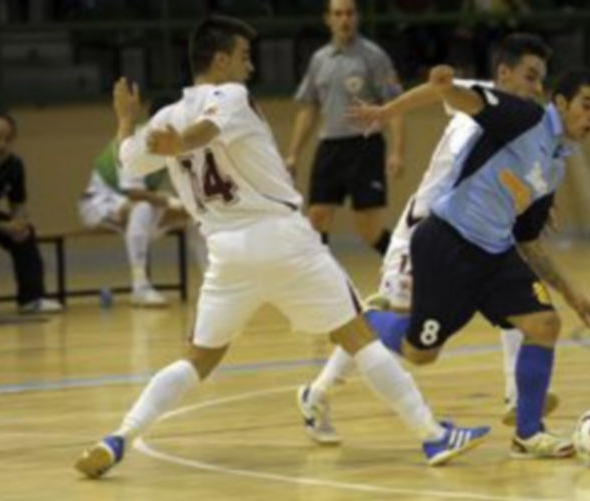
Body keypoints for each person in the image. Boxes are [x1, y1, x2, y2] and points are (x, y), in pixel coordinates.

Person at [74, 15, 489, 479]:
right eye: (244, 57)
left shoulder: (167, 115)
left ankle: (119, 437)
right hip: (282, 239)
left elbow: (129, 159)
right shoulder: (228, 96)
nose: (250, 67)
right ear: (221, 59)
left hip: (226, 253)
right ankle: (432, 435)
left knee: (197, 359)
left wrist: (126, 120)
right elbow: (207, 131)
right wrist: (184, 143)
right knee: (357, 336)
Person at [298, 33, 560, 446]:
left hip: (470, 234)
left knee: (516, 298)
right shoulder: (482, 103)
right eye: (530, 77)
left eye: (541, 79)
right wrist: (386, 112)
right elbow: (442, 91)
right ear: (504, 73)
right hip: (425, 229)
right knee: (396, 327)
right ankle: (317, 394)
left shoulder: (524, 117)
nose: (537, 89)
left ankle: (514, 394)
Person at [348, 65, 590, 458]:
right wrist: (390, 111)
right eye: (587, 106)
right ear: (561, 103)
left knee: (544, 324)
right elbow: (457, 96)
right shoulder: (525, 118)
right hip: (448, 243)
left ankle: (529, 434)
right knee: (420, 352)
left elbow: (529, 241)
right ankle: (365, 319)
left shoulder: (554, 166)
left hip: (496, 254)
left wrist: (572, 293)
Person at [285, 0, 403, 254]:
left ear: (357, 17)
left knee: (368, 230)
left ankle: (410, 267)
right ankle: (325, 287)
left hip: (365, 146)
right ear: (328, 19)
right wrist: (294, 153)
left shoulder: (373, 56)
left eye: (349, 13)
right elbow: (309, 109)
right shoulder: (319, 59)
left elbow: (393, 105)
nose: (344, 20)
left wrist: (397, 151)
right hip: (330, 147)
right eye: (338, 14)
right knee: (316, 218)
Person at [77, 97, 207, 307]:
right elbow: (132, 191)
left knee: (197, 215)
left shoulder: (174, 141)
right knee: (143, 208)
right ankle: (140, 286)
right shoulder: (136, 141)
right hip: (97, 203)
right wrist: (168, 201)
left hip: (133, 205)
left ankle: (211, 281)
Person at [0, 113, 63, 314]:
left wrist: (19, 224)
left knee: (25, 235)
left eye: (8, 139)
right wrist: (4, 226)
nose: (2, 145)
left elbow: (18, 203)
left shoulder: (14, 166)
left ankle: (32, 298)